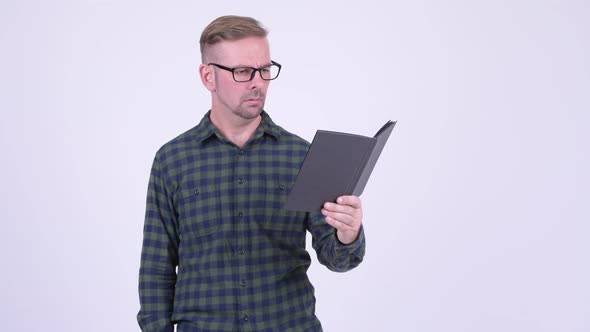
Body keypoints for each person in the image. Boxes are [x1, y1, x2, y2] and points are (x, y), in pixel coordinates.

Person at [137, 15, 366, 332]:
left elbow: (338, 259)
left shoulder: (301, 155)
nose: (258, 82)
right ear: (208, 77)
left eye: (265, 69)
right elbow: (157, 269)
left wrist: (347, 233)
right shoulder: (172, 160)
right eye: (243, 71)